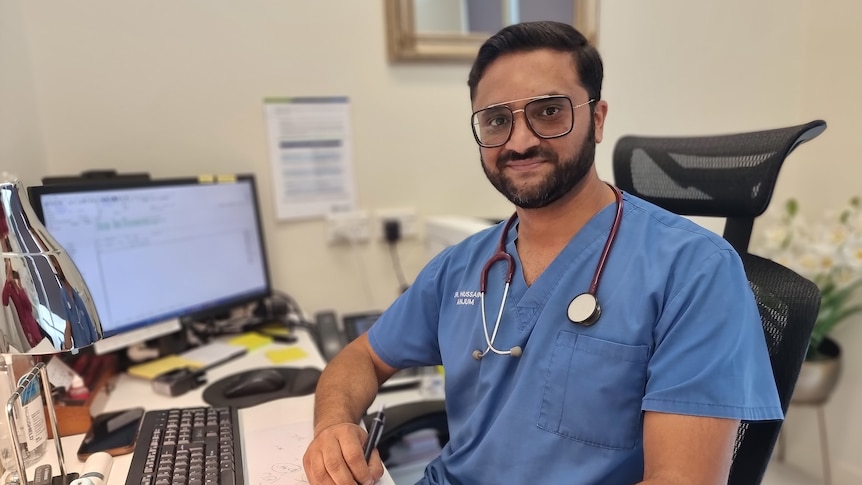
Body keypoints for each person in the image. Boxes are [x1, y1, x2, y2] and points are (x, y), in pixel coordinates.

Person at [302, 20, 782, 485]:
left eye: (549, 110)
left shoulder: (694, 271)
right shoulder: (463, 265)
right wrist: (335, 425)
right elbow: (362, 356)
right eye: (496, 120)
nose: (521, 140)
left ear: (596, 120)